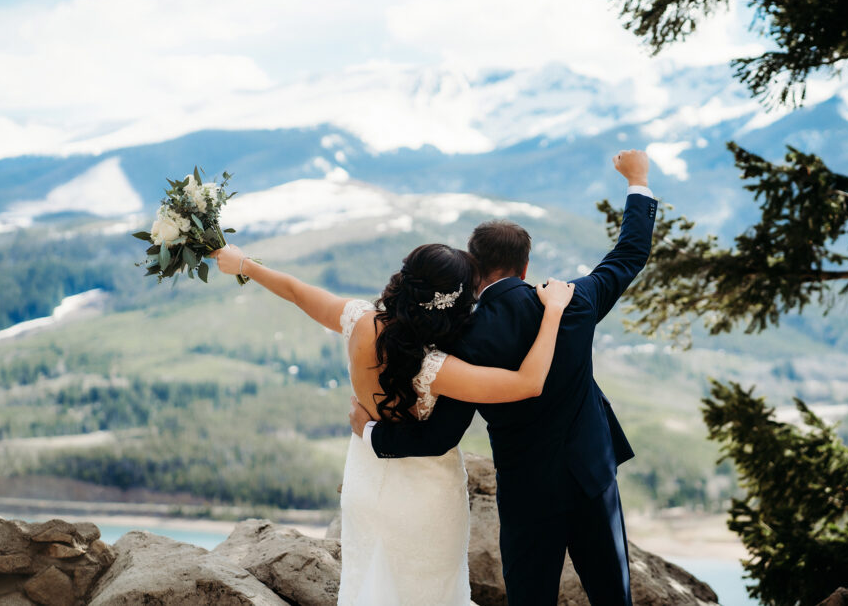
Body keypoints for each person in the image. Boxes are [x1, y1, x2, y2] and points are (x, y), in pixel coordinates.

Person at [349, 149, 656, 605]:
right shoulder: (576, 299)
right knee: (614, 597)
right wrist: (637, 179)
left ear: (472, 271)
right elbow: (629, 253)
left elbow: (440, 437)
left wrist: (372, 434)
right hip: (592, 474)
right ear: (526, 266)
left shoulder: (463, 341)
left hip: (528, 492)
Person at [211, 241, 575, 605]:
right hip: (425, 499)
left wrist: (244, 263)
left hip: (366, 484)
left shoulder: (357, 319)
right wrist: (554, 312)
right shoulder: (436, 369)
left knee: (367, 584)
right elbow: (529, 383)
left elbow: (294, 291)